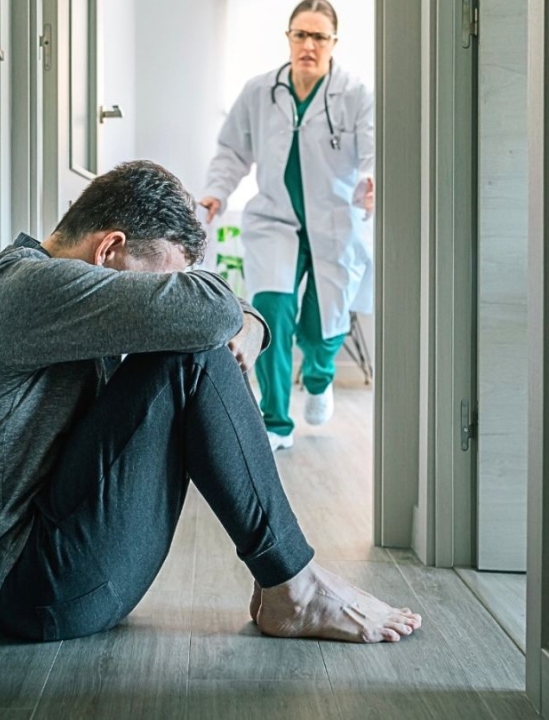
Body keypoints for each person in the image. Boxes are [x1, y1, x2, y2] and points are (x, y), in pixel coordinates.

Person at [0, 161, 420, 644]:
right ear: (109, 249)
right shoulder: (27, 290)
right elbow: (207, 312)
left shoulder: (35, 288)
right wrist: (242, 321)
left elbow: (208, 312)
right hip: (35, 589)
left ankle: (289, 577)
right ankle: (294, 583)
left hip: (48, 570)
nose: (164, 296)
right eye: (162, 282)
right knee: (190, 352)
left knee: (192, 341)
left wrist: (247, 324)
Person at [200, 0, 375, 451]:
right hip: (275, 219)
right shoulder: (261, 91)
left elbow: (376, 148)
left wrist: (373, 181)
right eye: (301, 35)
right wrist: (216, 191)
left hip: (336, 220)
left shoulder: (356, 94)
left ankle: (319, 376)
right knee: (272, 314)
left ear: (334, 43)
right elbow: (232, 151)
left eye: (319, 36)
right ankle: (274, 420)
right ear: (288, 38)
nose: (308, 45)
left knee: (323, 325)